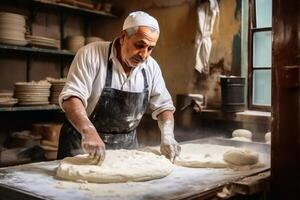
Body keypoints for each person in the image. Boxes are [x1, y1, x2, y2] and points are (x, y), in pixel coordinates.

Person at [57, 11, 181, 163]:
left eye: (150, 48)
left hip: (126, 150)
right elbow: (72, 97)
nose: (144, 55)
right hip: (82, 146)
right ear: (123, 37)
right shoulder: (91, 54)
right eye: (139, 45)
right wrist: (88, 131)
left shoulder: (151, 67)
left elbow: (164, 106)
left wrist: (168, 136)